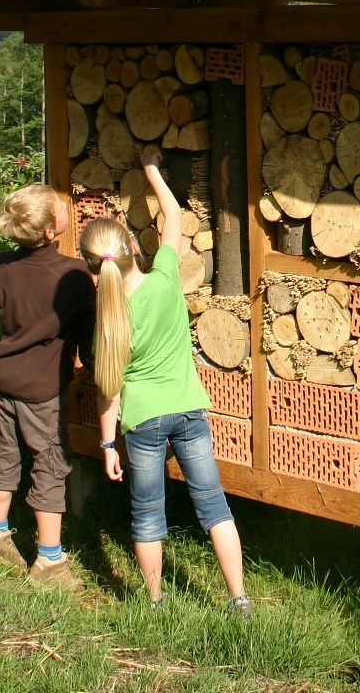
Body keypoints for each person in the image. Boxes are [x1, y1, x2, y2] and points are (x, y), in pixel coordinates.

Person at [78, 150, 250, 616]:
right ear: (134, 248)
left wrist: (108, 445)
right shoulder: (167, 278)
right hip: (189, 408)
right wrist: (150, 167)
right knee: (214, 506)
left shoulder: (109, 320)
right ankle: (238, 598)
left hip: (143, 422)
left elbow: (109, 391)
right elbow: (174, 216)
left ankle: (155, 602)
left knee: (148, 513)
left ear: (93, 270)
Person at [0, 183, 92, 591]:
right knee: (50, 461)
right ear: (50, 231)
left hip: (4, 377)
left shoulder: (3, 266)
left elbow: (3, 311)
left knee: (4, 448)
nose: (67, 208)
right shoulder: (74, 273)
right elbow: (84, 330)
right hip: (42, 386)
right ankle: (49, 561)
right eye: (62, 208)